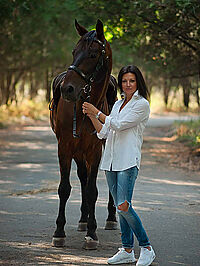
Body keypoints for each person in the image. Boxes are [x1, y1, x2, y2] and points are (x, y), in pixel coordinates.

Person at [82, 65, 156, 266]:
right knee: (120, 207)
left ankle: (147, 248)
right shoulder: (117, 105)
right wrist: (90, 114)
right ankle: (127, 250)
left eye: (132, 80)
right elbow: (104, 132)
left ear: (138, 82)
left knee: (123, 206)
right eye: (124, 81)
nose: (128, 84)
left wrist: (97, 111)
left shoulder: (142, 105)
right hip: (111, 161)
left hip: (128, 161)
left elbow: (119, 125)